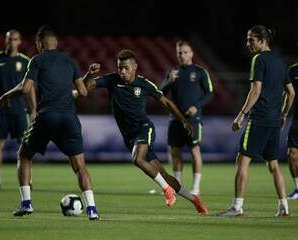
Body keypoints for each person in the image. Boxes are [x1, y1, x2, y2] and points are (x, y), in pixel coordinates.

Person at [83, 49, 209, 215]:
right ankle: (194, 200)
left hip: (144, 128)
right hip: (129, 137)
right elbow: (85, 88)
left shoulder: (144, 84)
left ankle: (166, 190)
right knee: (162, 173)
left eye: (126, 68)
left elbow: (167, 102)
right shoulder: (111, 80)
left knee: (138, 159)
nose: (122, 71)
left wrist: (183, 121)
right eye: (120, 67)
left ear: (135, 66)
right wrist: (89, 75)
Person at [0, 26, 99, 220]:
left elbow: (25, 88)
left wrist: (5, 95)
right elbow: (83, 92)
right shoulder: (69, 61)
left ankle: (26, 204)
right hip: (69, 118)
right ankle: (92, 209)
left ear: (39, 44)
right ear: (56, 43)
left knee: (24, 155)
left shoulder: (37, 60)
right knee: (80, 166)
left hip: (47, 116)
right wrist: (89, 75)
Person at [220, 25, 295, 217]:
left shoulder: (258, 59)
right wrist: (284, 113)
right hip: (274, 120)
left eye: (251, 40)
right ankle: (284, 207)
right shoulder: (280, 62)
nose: (247, 44)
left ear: (262, 41)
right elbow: (291, 93)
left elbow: (256, 91)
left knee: (243, 160)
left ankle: (237, 208)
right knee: (273, 164)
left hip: (260, 118)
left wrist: (241, 115)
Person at [0, 29, 36, 190]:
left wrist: (33, 109)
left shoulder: (26, 61)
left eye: (15, 39)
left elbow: (30, 87)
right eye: (9, 39)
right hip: (0, 110)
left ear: (19, 42)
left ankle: (28, 179)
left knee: (24, 145)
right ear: (5, 41)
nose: (12, 42)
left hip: (20, 110)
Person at [160, 40, 213, 195]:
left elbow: (209, 93)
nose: (182, 55)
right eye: (179, 52)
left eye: (184, 52)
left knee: (194, 151)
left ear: (191, 53)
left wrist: (196, 106)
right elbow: (160, 93)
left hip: (193, 120)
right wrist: (169, 81)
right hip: (175, 119)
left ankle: (196, 187)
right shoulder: (172, 72)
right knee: (175, 152)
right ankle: (178, 185)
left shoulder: (200, 72)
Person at [287, 62, 298, 200]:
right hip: (297, 119)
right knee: (292, 153)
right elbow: (289, 93)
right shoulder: (293, 70)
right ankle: (297, 188)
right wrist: (284, 113)